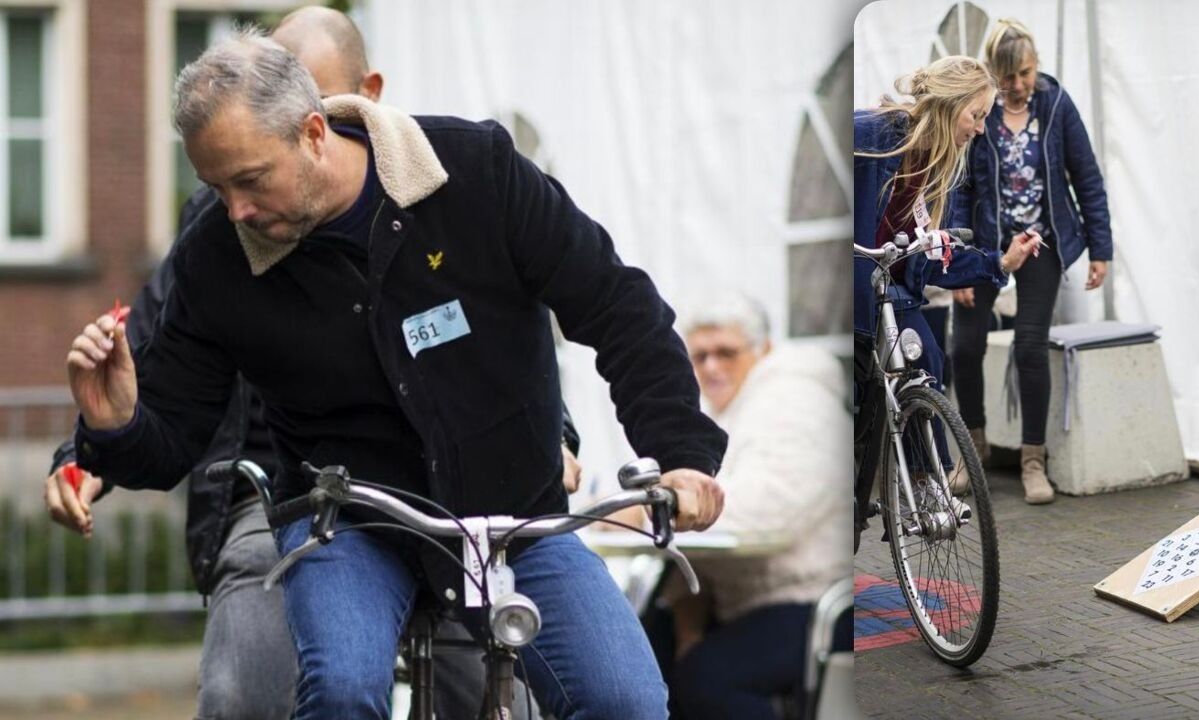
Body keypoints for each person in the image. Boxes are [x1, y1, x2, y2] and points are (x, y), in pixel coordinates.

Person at [65, 26, 725, 720]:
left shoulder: (475, 171)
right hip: (344, 522)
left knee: (627, 700)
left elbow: (618, 308)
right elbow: (173, 437)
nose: (236, 211)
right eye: (215, 186)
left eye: (251, 180)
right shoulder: (216, 258)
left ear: (314, 132)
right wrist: (113, 425)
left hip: (510, 513)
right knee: (343, 689)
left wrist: (679, 455)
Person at [662, 293, 855, 719]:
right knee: (640, 652)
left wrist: (653, 513)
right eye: (700, 356)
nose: (711, 367)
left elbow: (764, 514)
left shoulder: (791, 401)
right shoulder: (733, 414)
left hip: (814, 601)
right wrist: (686, 626)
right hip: (754, 603)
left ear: (763, 351)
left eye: (725, 353)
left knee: (703, 683)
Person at [853, 55, 1040, 494]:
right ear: (948, 104)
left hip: (889, 291)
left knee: (926, 356)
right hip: (847, 291)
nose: (979, 128)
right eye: (976, 115)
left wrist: (1000, 264)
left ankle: (925, 480)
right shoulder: (869, 135)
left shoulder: (940, 172)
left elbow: (935, 254)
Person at [950, 19, 1114, 504]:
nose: (1017, 85)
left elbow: (1086, 177)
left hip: (1043, 243)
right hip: (984, 244)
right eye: (1007, 76)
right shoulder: (979, 112)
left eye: (1023, 73)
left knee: (1029, 348)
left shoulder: (1058, 106)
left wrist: (1100, 248)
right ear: (992, 73)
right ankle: (973, 447)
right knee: (965, 347)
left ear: (1036, 64)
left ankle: (1033, 460)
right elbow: (961, 189)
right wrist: (959, 259)